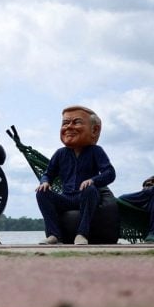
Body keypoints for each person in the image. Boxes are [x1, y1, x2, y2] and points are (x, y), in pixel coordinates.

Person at [36, 105, 116, 245]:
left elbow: (110, 173)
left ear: (94, 130)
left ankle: (82, 234)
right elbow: (48, 174)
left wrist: (93, 180)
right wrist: (45, 182)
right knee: (42, 193)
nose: (69, 127)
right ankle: (54, 235)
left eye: (76, 122)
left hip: (86, 196)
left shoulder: (96, 151)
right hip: (66, 197)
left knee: (90, 190)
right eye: (65, 123)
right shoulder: (60, 153)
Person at [119, 172, 154, 243]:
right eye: (147, 185)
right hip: (144, 209)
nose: (149, 185)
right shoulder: (143, 197)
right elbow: (122, 199)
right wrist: (151, 190)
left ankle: (153, 234)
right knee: (122, 199)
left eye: (152, 183)